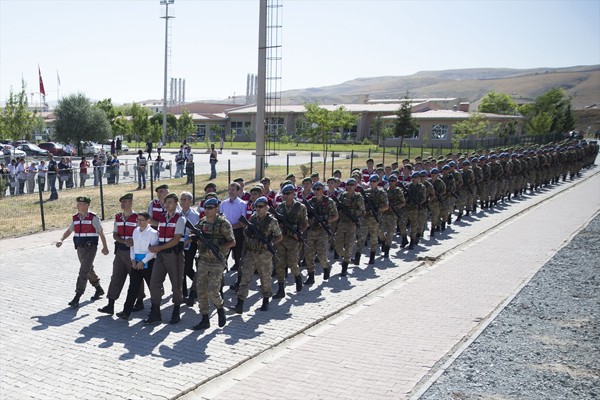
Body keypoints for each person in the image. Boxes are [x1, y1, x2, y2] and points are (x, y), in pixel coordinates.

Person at [55, 196, 109, 308]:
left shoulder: (93, 218)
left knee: (83, 271)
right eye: (77, 204)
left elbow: (101, 232)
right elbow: (69, 230)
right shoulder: (76, 218)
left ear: (86, 205)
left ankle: (77, 296)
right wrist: (61, 239)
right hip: (80, 248)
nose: (77, 206)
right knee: (88, 269)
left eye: (80, 204)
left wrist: (105, 247)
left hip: (90, 248)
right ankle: (98, 288)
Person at [98, 193, 146, 315]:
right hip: (120, 251)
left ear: (131, 202)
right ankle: (110, 304)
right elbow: (115, 234)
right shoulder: (118, 217)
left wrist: (133, 242)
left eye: (125, 202)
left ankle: (140, 300)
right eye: (121, 202)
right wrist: (124, 241)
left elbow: (142, 233)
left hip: (133, 253)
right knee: (116, 277)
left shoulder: (137, 217)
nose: (122, 204)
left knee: (136, 278)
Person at [192, 197, 236, 330]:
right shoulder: (202, 223)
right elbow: (193, 234)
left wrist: (219, 247)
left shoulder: (223, 223)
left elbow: (232, 242)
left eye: (210, 208)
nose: (207, 210)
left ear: (216, 209)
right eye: (205, 208)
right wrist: (190, 239)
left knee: (212, 290)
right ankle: (205, 319)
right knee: (201, 291)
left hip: (217, 261)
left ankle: (220, 308)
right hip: (203, 261)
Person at [234, 196, 282, 314]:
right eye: (257, 207)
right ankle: (240, 303)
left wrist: (270, 243)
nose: (258, 209)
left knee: (265, 278)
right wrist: (248, 232)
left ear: (266, 207)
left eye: (261, 207)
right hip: (251, 252)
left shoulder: (272, 221)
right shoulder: (253, 218)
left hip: (264, 254)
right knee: (245, 277)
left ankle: (266, 300)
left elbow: (279, 236)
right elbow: (245, 232)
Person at [145, 193, 186, 324]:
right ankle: (155, 311)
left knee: (176, 284)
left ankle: (176, 310)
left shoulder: (180, 219)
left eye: (170, 202)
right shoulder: (162, 217)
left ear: (176, 204)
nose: (167, 204)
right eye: (166, 202)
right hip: (161, 255)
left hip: (174, 255)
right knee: (154, 283)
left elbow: (176, 240)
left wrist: (158, 248)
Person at [116, 211, 159, 320]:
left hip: (148, 263)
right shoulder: (135, 231)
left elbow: (153, 251)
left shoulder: (153, 233)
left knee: (152, 288)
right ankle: (126, 312)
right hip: (136, 263)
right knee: (132, 288)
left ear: (148, 221)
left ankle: (155, 313)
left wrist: (143, 262)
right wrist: (133, 260)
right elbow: (132, 247)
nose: (139, 222)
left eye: (141, 220)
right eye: (138, 220)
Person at [273, 184, 308, 299]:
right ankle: (281, 288)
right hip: (282, 239)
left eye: (288, 193)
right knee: (279, 265)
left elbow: (305, 223)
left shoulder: (300, 207)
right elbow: (276, 222)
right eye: (284, 194)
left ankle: (298, 277)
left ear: (293, 193)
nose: (286, 196)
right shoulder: (280, 207)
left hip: (293, 240)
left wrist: (299, 233)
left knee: (293, 263)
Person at [304, 181, 338, 284]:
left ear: (323, 190)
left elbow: (335, 216)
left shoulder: (329, 202)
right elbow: (305, 217)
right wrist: (310, 221)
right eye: (315, 189)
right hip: (311, 231)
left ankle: (326, 267)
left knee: (321, 254)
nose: (316, 191)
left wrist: (326, 221)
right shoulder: (310, 203)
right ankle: (311, 276)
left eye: (318, 189)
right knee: (308, 255)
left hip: (323, 231)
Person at [334, 178, 365, 276]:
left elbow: (362, 211)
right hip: (342, 223)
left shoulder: (358, 197)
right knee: (338, 246)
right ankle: (347, 257)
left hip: (352, 224)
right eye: (348, 184)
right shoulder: (342, 195)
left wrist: (354, 214)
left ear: (355, 186)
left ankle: (345, 265)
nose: (350, 186)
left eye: (352, 184)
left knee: (349, 245)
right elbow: (336, 207)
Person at [219, 182, 247, 272]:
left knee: (238, 255)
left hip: (237, 232)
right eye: (229, 189)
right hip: (225, 233)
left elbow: (243, 222)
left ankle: (239, 279)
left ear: (238, 191)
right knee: (222, 256)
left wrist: (231, 227)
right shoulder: (223, 204)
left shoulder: (242, 204)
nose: (231, 192)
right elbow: (220, 218)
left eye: (233, 189)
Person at [179, 191, 200, 305]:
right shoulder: (178, 213)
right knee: (181, 270)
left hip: (191, 244)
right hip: (179, 244)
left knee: (187, 268)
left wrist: (188, 241)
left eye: (184, 199)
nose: (182, 202)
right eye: (181, 199)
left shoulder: (195, 215)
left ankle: (198, 285)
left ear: (190, 201)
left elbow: (196, 232)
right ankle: (184, 294)